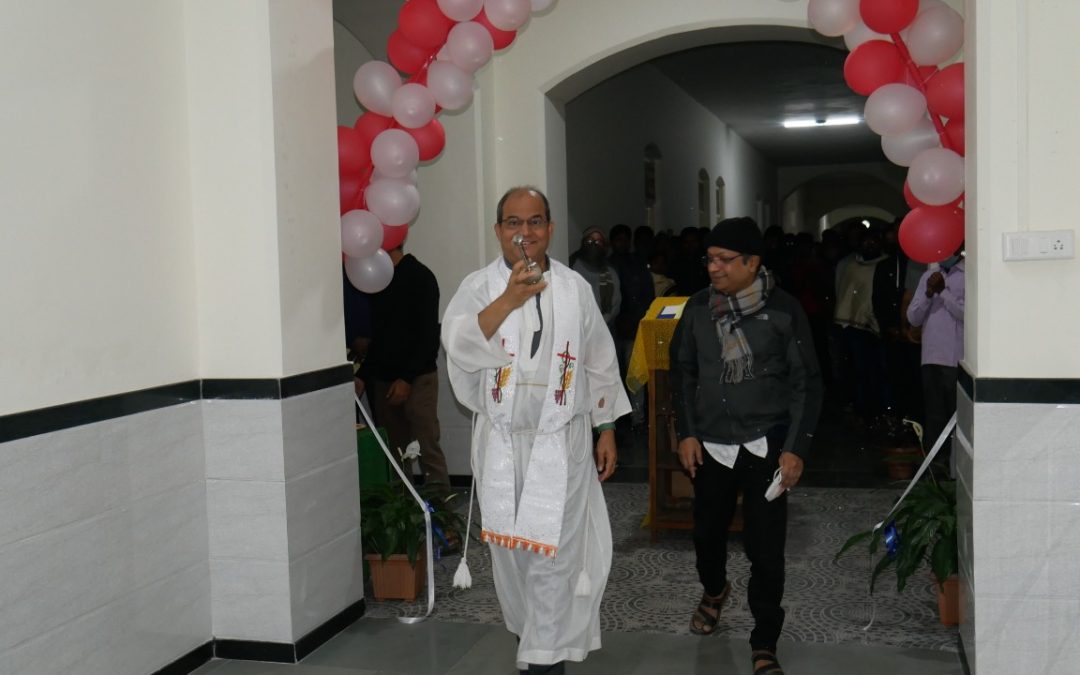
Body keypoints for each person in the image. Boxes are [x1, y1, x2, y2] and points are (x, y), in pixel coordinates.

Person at [442, 186, 631, 675]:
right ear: (498, 230)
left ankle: (546, 660)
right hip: (502, 442)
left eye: (534, 222)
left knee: (555, 554)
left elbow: (598, 358)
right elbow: (459, 345)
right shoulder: (480, 286)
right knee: (511, 553)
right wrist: (507, 300)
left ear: (549, 228)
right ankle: (533, 642)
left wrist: (605, 425)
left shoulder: (574, 288)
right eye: (512, 223)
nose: (523, 233)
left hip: (559, 442)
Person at [669, 217, 822, 675]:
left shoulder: (783, 310)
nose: (713, 268)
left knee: (766, 548)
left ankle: (764, 641)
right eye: (709, 259)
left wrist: (795, 447)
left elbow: (806, 383)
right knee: (707, 536)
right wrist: (687, 432)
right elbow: (683, 372)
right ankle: (714, 590)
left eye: (723, 259)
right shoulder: (697, 308)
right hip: (711, 445)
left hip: (765, 446)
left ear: (753, 262)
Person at [358, 241, 450, 492]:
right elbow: (380, 338)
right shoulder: (378, 280)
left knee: (427, 446)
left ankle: (442, 515)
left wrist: (407, 379)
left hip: (418, 378)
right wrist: (363, 377)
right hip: (384, 379)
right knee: (395, 455)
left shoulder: (420, 277)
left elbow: (428, 337)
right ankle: (403, 518)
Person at [906, 249, 965, 473]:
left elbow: (967, 313)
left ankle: (955, 472)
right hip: (930, 357)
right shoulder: (928, 276)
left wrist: (943, 292)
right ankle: (934, 471)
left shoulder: (969, 275)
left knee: (955, 418)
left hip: (955, 359)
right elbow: (913, 317)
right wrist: (929, 292)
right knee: (934, 416)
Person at [572, 227, 622, 331]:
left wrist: (599, 323)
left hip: (604, 331)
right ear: (582, 244)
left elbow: (615, 306)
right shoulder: (570, 268)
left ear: (604, 247)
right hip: (576, 330)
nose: (593, 244)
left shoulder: (611, 273)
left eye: (598, 242)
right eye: (589, 240)